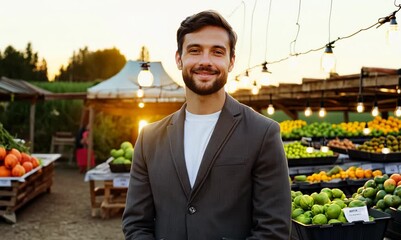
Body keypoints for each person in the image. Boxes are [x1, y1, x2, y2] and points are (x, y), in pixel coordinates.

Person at [122, 10, 291, 239]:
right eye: (195, 50)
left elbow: (273, 230)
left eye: (217, 52)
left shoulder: (263, 133)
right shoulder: (149, 139)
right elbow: (135, 224)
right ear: (179, 59)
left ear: (231, 61)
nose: (205, 61)